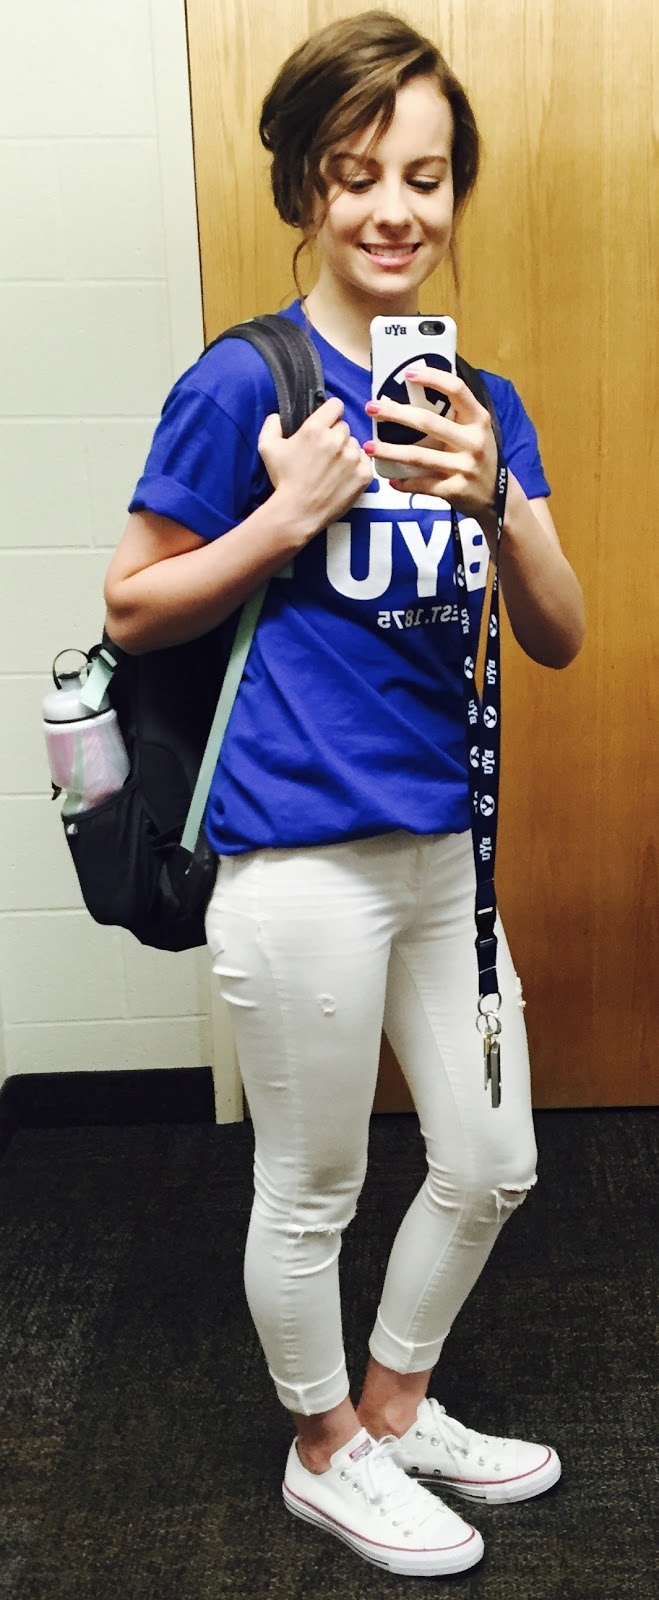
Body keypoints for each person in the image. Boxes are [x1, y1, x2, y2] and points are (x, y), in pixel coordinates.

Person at [104, 10, 585, 1580]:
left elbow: (561, 634)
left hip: (444, 857)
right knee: (313, 1183)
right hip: (299, 859)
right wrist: (281, 516)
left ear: (456, 192)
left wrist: (497, 500)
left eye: (425, 178)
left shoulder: (478, 401)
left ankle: (394, 1407)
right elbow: (132, 605)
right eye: (356, 173)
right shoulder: (243, 380)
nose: (394, 209)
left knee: (492, 1160)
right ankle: (324, 1449)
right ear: (306, 186)